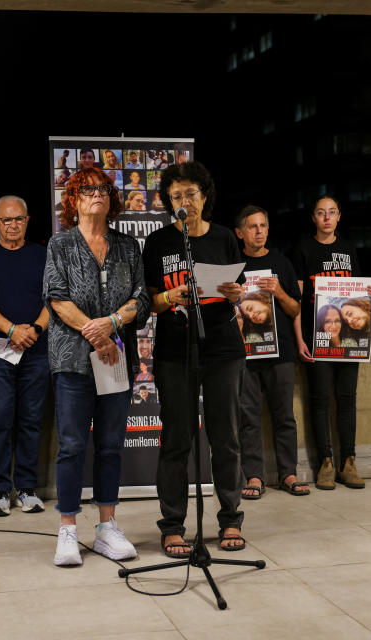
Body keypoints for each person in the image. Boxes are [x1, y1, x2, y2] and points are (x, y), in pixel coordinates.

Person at [44, 166, 150, 566]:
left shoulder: (127, 247)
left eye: (103, 188)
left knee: (109, 446)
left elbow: (140, 298)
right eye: (86, 189)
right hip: (72, 360)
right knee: (71, 445)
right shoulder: (60, 244)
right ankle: (67, 530)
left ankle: (107, 527)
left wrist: (114, 324)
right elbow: (56, 298)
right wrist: (99, 334)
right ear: (72, 199)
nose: (96, 194)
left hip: (117, 361)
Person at [142, 161, 247, 558]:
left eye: (190, 194)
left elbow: (236, 286)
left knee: (226, 438)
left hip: (221, 347)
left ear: (204, 196)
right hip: (174, 350)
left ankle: (231, 518)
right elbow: (148, 300)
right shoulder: (158, 242)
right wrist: (171, 297)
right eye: (175, 197)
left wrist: (236, 294)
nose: (184, 201)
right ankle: (172, 526)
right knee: (176, 439)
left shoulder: (223, 237)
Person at [292, 195, 371, 490]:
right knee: (319, 400)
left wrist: (369, 294)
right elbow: (297, 298)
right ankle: (325, 463)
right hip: (317, 336)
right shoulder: (304, 249)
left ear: (339, 216)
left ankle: (349, 462)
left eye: (332, 212)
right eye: (321, 213)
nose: (327, 218)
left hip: (348, 339)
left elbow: (354, 292)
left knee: (347, 399)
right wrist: (301, 338)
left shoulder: (347, 249)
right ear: (314, 218)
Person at [0, 195, 50, 517]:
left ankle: (28, 489)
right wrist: (12, 331)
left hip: (37, 349)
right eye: (6, 220)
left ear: (27, 220)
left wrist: (34, 330)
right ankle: (0, 491)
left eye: (18, 219)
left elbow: (54, 299)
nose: (13, 225)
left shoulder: (43, 255)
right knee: (0, 418)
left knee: (32, 421)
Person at [234, 205, 306, 498]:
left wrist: (279, 292)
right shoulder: (232, 265)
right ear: (240, 233)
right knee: (248, 416)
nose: (259, 231)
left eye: (263, 225)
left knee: (284, 415)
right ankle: (253, 477)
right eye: (253, 226)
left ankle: (288, 473)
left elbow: (295, 308)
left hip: (281, 351)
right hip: (244, 352)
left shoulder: (282, 263)